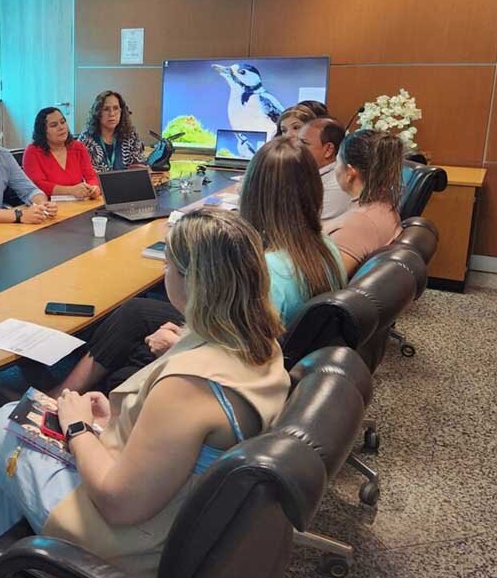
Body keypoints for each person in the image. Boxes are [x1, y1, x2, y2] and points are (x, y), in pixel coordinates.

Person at [0, 209, 290, 578]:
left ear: (193, 281)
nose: (163, 273)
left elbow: (119, 505)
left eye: (168, 265)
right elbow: (181, 441)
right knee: (18, 449)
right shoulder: (260, 341)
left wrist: (78, 429)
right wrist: (115, 421)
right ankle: (4, 572)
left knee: (3, 424)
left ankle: (7, 570)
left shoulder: (189, 387)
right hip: (180, 506)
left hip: (132, 542)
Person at [57, 138, 345, 395]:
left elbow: (241, 359)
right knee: (136, 311)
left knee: (125, 368)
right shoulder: (324, 246)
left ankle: (63, 395)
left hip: (235, 369)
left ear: (254, 193)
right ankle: (65, 390)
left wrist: (179, 344)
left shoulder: (268, 270)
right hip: (266, 353)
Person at [325, 129, 404, 276]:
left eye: (337, 162)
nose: (335, 168)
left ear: (350, 172)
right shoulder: (383, 205)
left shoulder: (358, 225)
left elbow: (326, 283)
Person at [22, 107, 100, 200]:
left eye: (63, 122)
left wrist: (94, 188)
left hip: (79, 203)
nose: (61, 127)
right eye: (54, 125)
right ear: (42, 131)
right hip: (47, 206)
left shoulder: (78, 147)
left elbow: (91, 176)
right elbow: (38, 185)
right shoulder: (32, 152)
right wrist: (70, 190)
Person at [77, 91, 146, 173]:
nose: (112, 114)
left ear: (121, 111)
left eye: (116, 108)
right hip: (96, 185)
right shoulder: (86, 139)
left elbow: (139, 163)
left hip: (127, 183)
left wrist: (143, 169)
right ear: (98, 113)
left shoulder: (131, 135)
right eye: (106, 109)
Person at [299, 118, 353, 221]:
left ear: (328, 149)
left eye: (304, 143)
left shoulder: (337, 185)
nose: (295, 148)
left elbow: (315, 231)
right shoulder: (305, 173)